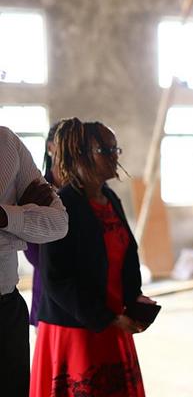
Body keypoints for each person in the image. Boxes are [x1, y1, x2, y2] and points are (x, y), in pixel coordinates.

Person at [30, 118, 155, 397]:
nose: (114, 157)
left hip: (111, 321)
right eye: (105, 151)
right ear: (81, 155)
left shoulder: (109, 198)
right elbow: (56, 279)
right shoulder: (62, 205)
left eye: (115, 150)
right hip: (76, 328)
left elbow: (127, 253)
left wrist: (134, 298)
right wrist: (106, 317)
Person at [0, 126, 68, 397]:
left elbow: (59, 223)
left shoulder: (7, 142)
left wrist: (6, 217)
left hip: (6, 309)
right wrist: (19, 221)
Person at [23, 121, 66, 328]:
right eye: (65, 144)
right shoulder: (38, 189)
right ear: (50, 147)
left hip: (85, 294)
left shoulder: (88, 191)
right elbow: (31, 248)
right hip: (49, 288)